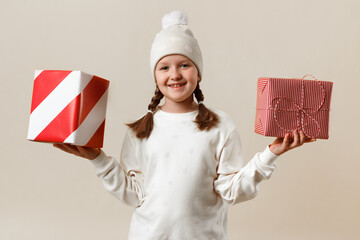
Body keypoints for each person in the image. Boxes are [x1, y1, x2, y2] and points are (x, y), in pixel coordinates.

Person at [53, 10, 316, 240]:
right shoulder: (139, 130)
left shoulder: (221, 126)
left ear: (198, 72)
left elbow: (232, 191)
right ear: (155, 76)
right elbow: (133, 194)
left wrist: (271, 153)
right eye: (164, 67)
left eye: (184, 65)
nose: (175, 74)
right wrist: (98, 159)